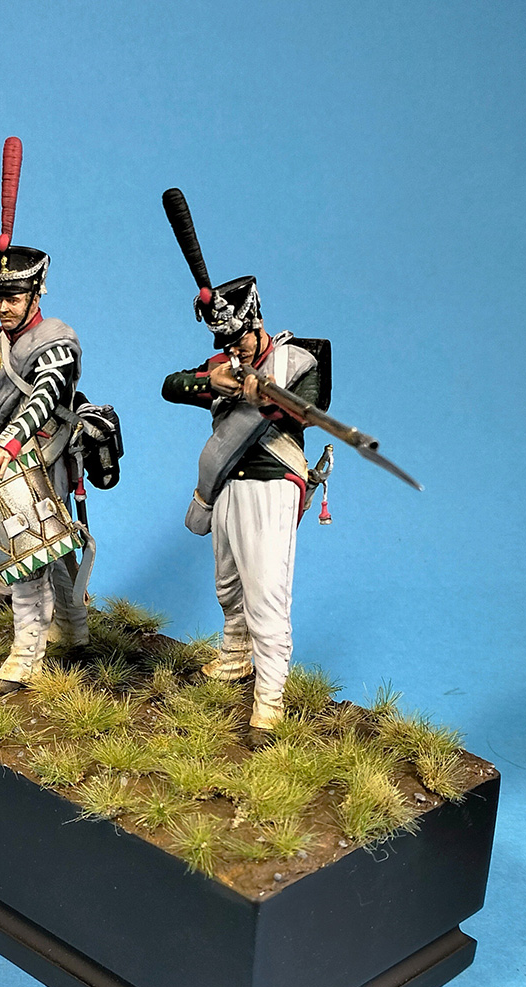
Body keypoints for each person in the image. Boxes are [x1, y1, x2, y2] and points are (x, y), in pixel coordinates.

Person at [162, 276, 320, 746]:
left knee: (267, 595)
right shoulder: (222, 366)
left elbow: (306, 409)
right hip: (228, 482)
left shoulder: (296, 362)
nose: (235, 351)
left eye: (241, 340)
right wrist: (210, 382)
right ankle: (234, 656)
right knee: (227, 583)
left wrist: (262, 395)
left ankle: (269, 700)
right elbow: (171, 386)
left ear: (257, 324)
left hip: (273, 485)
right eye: (227, 344)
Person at [0, 242, 89, 691]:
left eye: (13, 298)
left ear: (36, 293)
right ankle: (75, 629)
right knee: (55, 549)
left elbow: (44, 396)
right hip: (12, 460)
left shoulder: (56, 342)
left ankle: (24, 660)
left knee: (27, 558)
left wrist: (9, 441)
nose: (3, 307)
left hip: (42, 459)